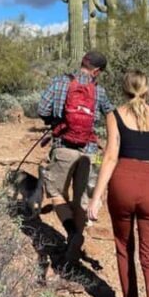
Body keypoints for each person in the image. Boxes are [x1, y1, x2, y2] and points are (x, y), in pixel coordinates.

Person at [87, 70, 149, 297]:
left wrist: (96, 197)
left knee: (124, 247)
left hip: (123, 184)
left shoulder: (114, 116)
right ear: (148, 89)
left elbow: (111, 156)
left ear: (124, 89)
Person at [35, 50, 114, 264]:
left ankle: (72, 233)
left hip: (63, 147)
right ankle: (75, 248)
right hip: (90, 151)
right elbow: (110, 113)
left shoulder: (60, 82)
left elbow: (41, 108)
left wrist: (55, 122)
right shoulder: (99, 90)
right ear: (96, 71)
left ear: (82, 62)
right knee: (82, 199)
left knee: (55, 192)